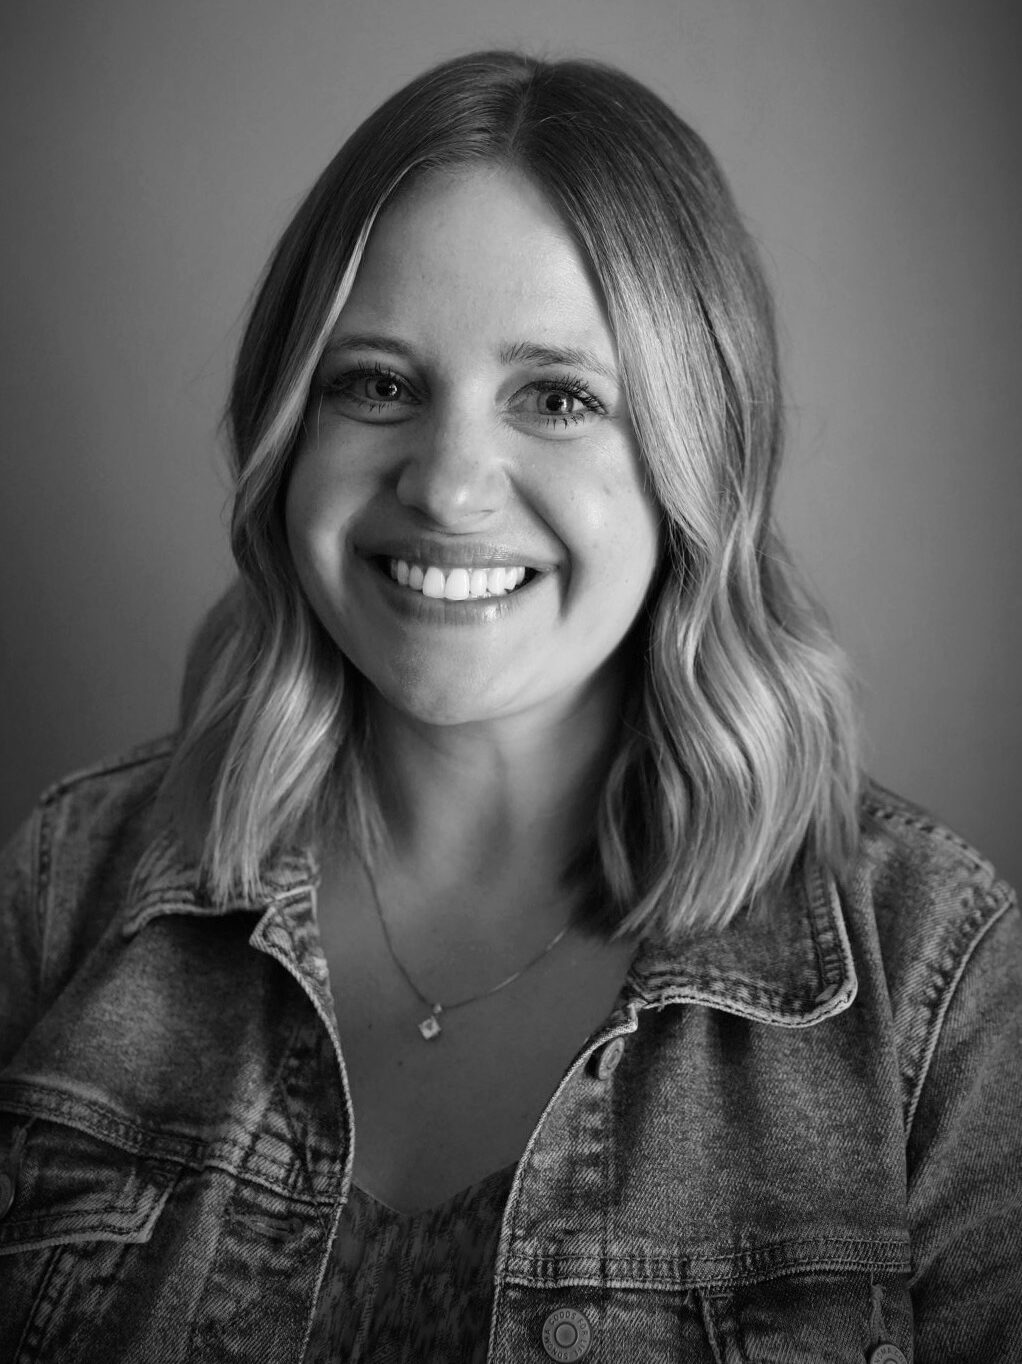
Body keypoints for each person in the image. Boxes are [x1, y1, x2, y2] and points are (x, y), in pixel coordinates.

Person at [0, 48, 1019, 1364]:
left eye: (558, 399)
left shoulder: (941, 986)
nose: (449, 487)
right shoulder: (62, 885)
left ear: (690, 463)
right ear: (282, 437)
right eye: (376, 384)